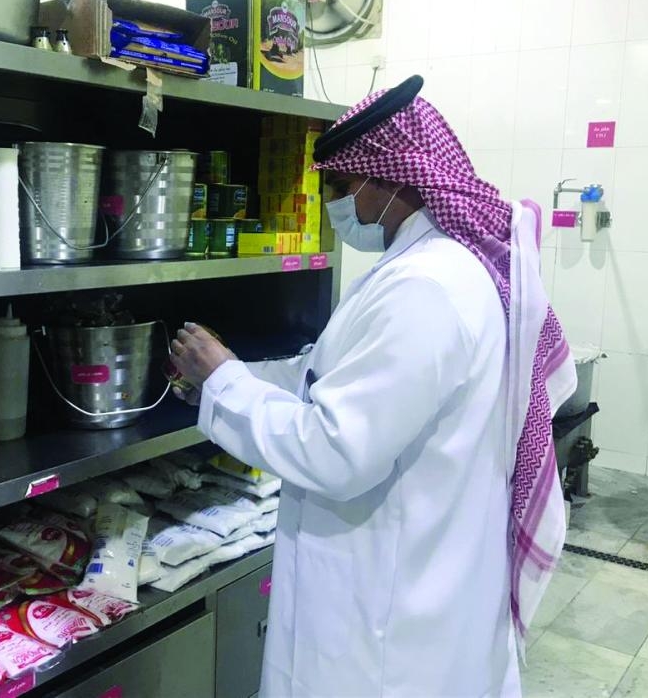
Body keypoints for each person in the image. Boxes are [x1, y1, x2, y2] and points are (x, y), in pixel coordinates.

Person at [169, 75, 577, 698]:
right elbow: (325, 376)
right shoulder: (427, 268)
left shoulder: (425, 290)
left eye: (340, 186)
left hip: (389, 622)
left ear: (389, 178)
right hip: (419, 578)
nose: (335, 206)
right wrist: (227, 374)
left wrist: (224, 380)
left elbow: (335, 451)